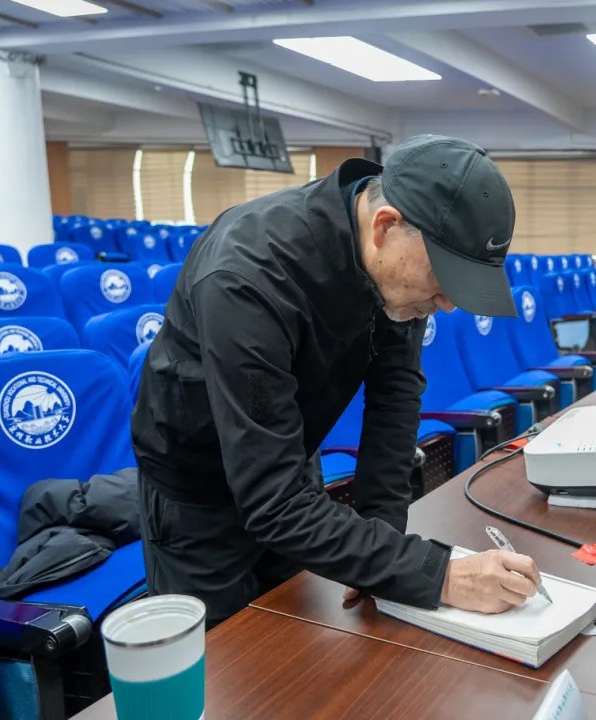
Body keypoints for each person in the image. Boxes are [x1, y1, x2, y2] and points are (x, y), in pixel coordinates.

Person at [131, 134, 543, 628]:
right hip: (198, 496)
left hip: (287, 461)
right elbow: (273, 503)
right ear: (385, 226)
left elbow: (394, 401)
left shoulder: (398, 272)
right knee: (224, 657)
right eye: (445, 278)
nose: (449, 303)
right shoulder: (248, 276)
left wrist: (383, 550)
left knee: (294, 638)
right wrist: (439, 575)